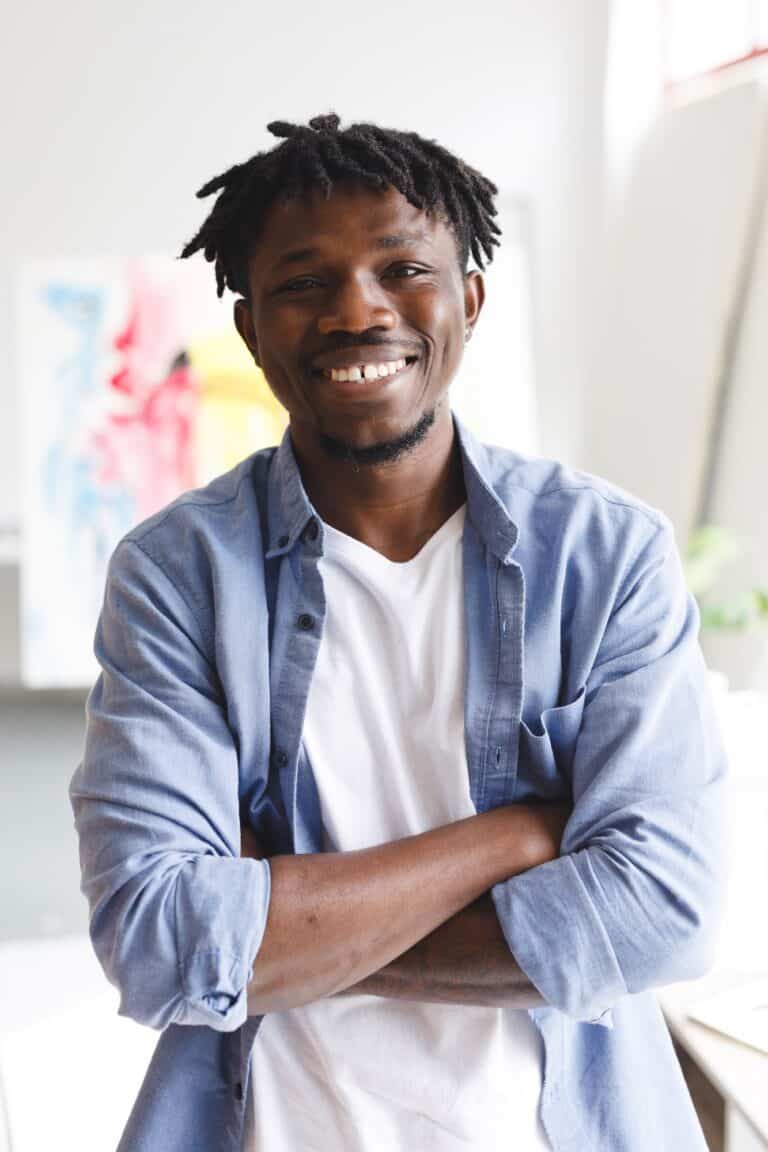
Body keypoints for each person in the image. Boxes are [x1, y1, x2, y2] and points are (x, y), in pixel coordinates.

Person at [70, 112, 727, 1152]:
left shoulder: (606, 557)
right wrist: (513, 839)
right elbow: (160, 941)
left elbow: (657, 914)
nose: (357, 310)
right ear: (252, 330)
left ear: (467, 298)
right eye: (302, 282)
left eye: (401, 267)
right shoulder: (177, 578)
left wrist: (276, 927)